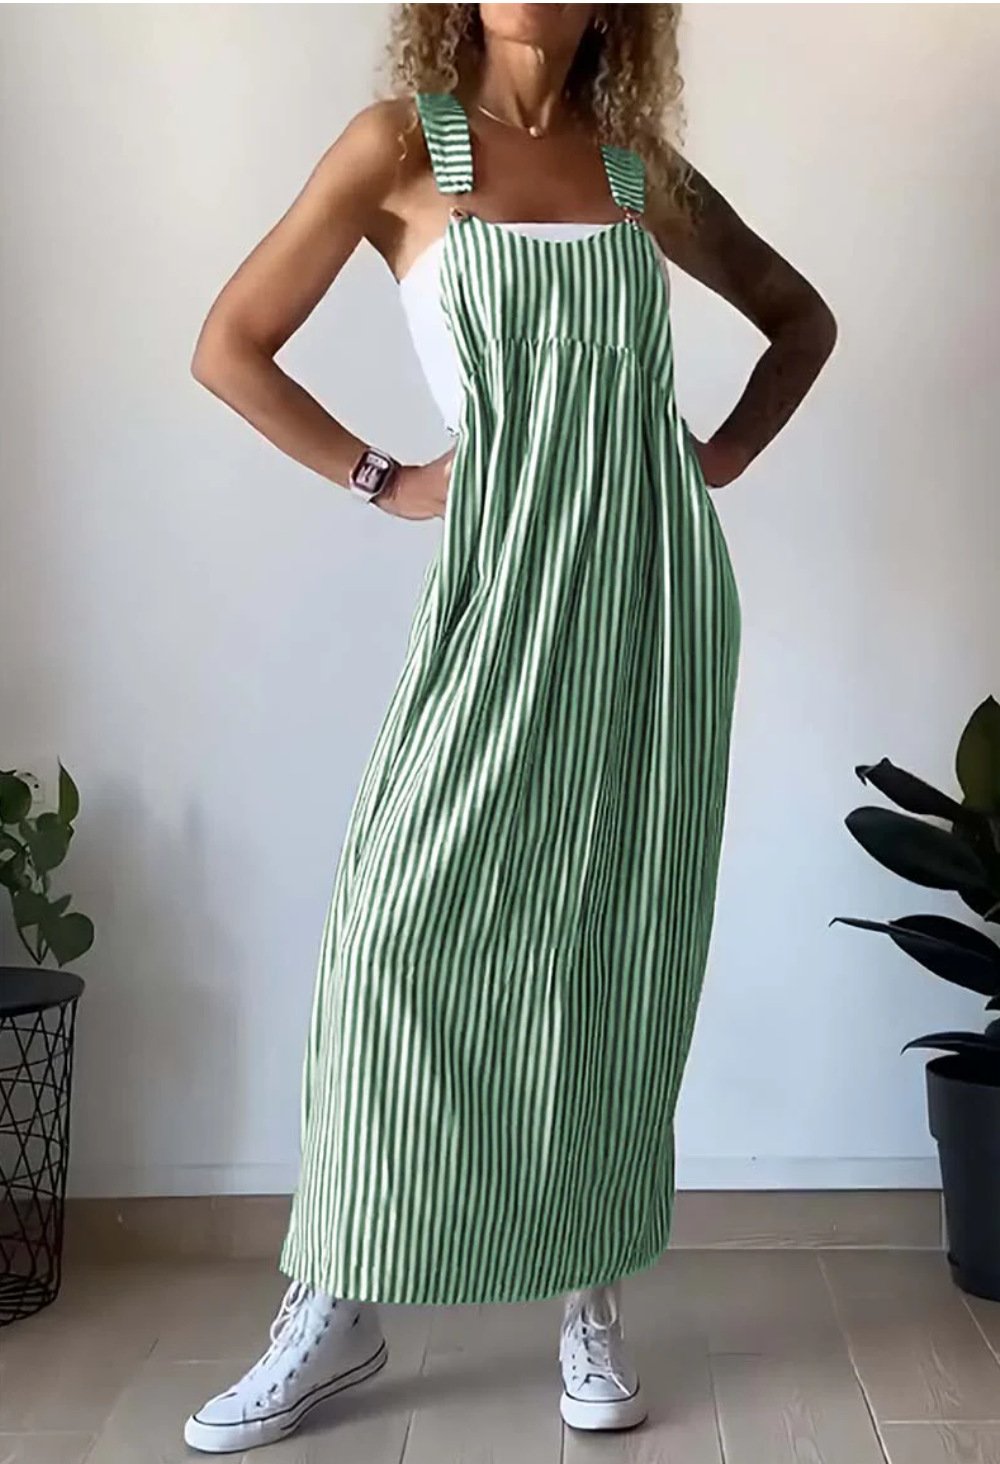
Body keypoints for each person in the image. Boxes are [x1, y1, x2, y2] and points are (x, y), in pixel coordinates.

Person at [185, 2, 835, 1451]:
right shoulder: (398, 148)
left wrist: (719, 455)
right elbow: (230, 345)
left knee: (610, 942)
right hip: (496, 595)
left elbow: (803, 318)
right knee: (389, 939)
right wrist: (381, 477)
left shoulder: (636, 166)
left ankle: (589, 1300)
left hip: (651, 604)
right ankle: (337, 1299)